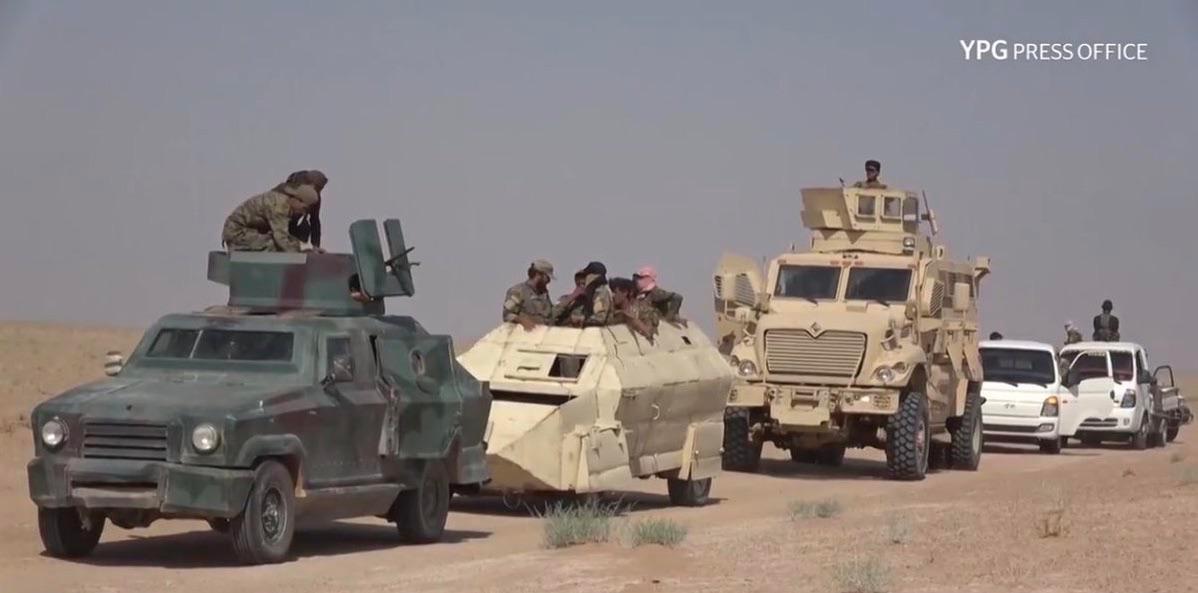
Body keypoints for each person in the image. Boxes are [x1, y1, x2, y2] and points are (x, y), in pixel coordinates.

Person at [222, 183, 320, 252]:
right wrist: (302, 254)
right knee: (274, 246)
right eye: (304, 208)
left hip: (247, 231)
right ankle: (238, 249)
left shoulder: (284, 203)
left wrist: (306, 248)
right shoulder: (279, 207)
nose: (303, 213)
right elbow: (281, 239)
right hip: (236, 233)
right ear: (297, 200)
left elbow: (284, 235)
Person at [275, 170, 329, 250]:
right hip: (275, 221)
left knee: (304, 228)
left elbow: (314, 220)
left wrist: (316, 245)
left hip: (291, 225)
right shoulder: (287, 190)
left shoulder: (314, 198)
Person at [502, 259, 556, 331]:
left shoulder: (544, 295)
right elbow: (507, 315)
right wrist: (522, 320)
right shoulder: (518, 291)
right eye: (547, 278)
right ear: (538, 275)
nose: (548, 281)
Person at [555, 261, 611, 327]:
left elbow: (599, 318)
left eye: (584, 281)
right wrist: (572, 297)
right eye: (578, 281)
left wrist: (581, 319)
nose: (581, 283)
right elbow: (553, 316)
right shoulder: (566, 299)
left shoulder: (596, 299)